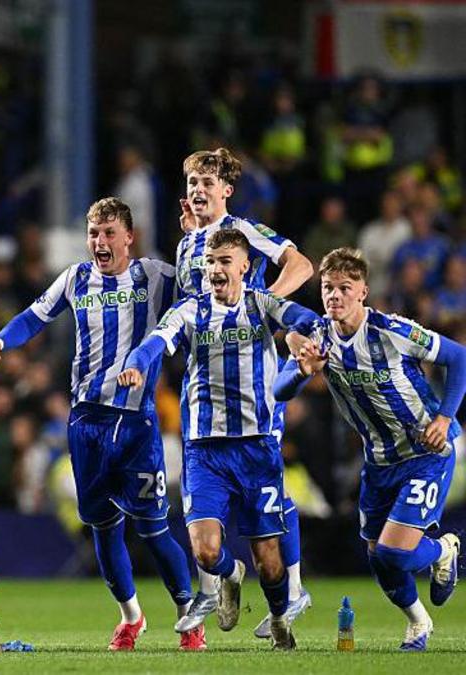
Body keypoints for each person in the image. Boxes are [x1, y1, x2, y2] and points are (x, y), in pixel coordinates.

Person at [0, 197, 203, 651]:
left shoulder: (157, 276)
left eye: (107, 234)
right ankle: (131, 616)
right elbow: (33, 317)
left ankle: (187, 616)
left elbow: (204, 296)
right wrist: (3, 340)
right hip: (86, 421)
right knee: (102, 527)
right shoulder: (76, 279)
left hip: (138, 423)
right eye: (93, 234)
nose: (99, 242)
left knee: (154, 527)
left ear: (128, 237)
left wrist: (198, 233)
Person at [119, 229, 320, 650]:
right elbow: (153, 343)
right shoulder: (190, 310)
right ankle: (228, 575)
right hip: (205, 451)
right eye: (210, 262)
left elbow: (300, 317)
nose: (215, 270)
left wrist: (310, 337)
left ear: (245, 266)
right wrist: (137, 365)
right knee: (207, 552)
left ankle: (281, 616)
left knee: (269, 562)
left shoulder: (261, 303)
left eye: (225, 261)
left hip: (256, 449)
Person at [276, 247, 463, 651]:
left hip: (425, 453)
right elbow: (278, 390)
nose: (335, 296)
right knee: (378, 558)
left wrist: (445, 417)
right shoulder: (319, 339)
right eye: (328, 288)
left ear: (363, 291)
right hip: (378, 462)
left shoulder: (391, 331)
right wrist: (301, 372)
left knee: (394, 554)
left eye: (345, 288)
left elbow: (459, 358)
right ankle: (419, 623)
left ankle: (442, 550)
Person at [175, 147, 315, 639]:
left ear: (226, 190)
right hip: (205, 387)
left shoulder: (244, 231)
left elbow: (302, 264)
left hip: (255, 387)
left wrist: (269, 308)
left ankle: (293, 587)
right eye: (193, 181)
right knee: (208, 526)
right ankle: (228, 575)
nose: (199, 189)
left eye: (208, 182)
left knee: (267, 478)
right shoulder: (188, 243)